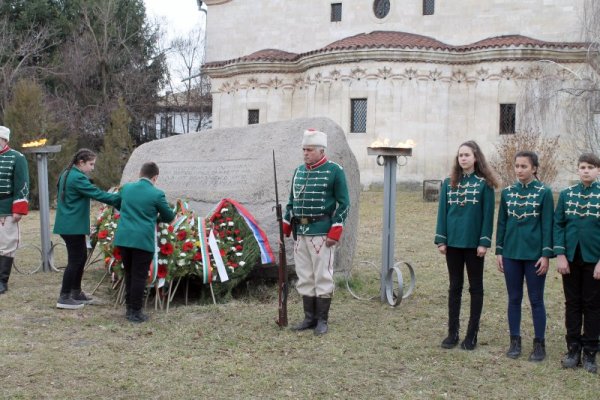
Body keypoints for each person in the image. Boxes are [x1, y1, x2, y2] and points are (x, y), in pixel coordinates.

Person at [282, 128, 350, 335]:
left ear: (321, 150)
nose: (305, 153)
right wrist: (287, 222)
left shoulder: (334, 170)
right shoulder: (299, 171)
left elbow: (344, 203)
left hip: (321, 231)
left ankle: (322, 320)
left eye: (309, 150)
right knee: (304, 275)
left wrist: (335, 230)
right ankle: (309, 318)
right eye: (304, 149)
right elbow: (291, 201)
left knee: (322, 275)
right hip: (300, 232)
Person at [435, 140, 499, 350]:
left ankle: (471, 335)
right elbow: (442, 213)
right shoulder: (448, 182)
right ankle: (452, 333)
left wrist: (484, 242)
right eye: (460, 155)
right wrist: (441, 239)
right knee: (455, 287)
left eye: (467, 155)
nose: (463, 158)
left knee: (476, 288)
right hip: (452, 243)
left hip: (473, 245)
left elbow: (487, 216)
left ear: (476, 158)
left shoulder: (484, 185)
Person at [495, 151, 554, 361]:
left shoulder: (544, 192)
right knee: (514, 298)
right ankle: (515, 340)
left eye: (524, 166)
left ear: (534, 168)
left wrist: (546, 255)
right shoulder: (508, 192)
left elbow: (548, 225)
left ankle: (539, 344)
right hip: (511, 253)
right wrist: (499, 251)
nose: (520, 170)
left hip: (534, 256)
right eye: (517, 166)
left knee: (536, 299)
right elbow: (502, 223)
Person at [53, 148, 120, 309]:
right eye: (91, 164)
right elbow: (97, 194)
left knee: (81, 257)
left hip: (69, 224)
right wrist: (122, 198)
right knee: (75, 260)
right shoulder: (77, 178)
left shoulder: (67, 173)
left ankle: (76, 292)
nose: (92, 168)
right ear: (81, 162)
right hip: (72, 226)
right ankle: (64, 296)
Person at [554, 153, 600, 374]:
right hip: (571, 258)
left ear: (598, 171)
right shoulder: (566, 194)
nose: (586, 170)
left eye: (590, 167)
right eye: (582, 167)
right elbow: (559, 225)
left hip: (594, 259)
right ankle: (573, 349)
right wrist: (560, 254)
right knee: (572, 303)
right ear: (577, 170)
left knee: (592, 305)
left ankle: (590, 351)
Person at [114, 162, 175, 323]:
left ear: (140, 174)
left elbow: (119, 205)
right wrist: (156, 217)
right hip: (142, 239)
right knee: (140, 276)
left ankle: (129, 308)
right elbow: (169, 217)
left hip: (124, 238)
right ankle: (136, 312)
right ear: (155, 177)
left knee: (129, 274)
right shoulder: (157, 194)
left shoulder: (126, 188)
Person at [0, 125, 29, 294]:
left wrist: (18, 209)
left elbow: (22, 185)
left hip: (6, 208)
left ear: (4, 139)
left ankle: (2, 281)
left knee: (6, 244)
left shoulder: (17, 158)